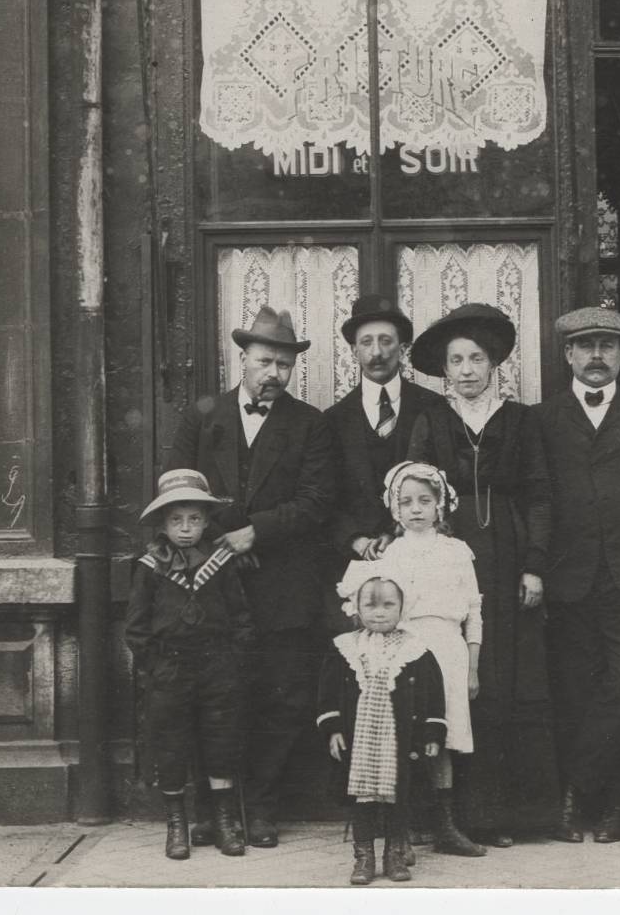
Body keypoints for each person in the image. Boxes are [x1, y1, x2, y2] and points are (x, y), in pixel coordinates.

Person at [163, 304, 336, 848]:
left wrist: (254, 533)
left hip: (284, 586)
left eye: (284, 366)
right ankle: (217, 808)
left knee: (280, 699)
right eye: (265, 361)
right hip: (209, 584)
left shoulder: (311, 425)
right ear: (243, 358)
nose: (273, 375)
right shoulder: (203, 416)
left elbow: (316, 503)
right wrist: (223, 541)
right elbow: (176, 491)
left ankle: (260, 806)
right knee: (215, 696)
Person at [406, 303, 559, 845]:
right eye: (456, 361)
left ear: (494, 364)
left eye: (477, 358)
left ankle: (525, 814)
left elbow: (540, 493)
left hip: (509, 552)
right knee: (466, 679)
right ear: (444, 370)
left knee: (515, 676)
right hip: (452, 557)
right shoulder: (432, 421)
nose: (468, 369)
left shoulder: (521, 420)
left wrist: (534, 565)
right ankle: (470, 816)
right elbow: (414, 490)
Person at [531, 306, 620, 844]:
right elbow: (537, 498)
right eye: (586, 345)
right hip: (568, 581)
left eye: (608, 346)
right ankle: (608, 805)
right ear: (568, 353)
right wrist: (536, 567)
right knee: (575, 694)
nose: (597, 356)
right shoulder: (542, 419)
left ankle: (582, 790)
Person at [124, 469, 254, 860]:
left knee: (221, 741)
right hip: (171, 669)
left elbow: (241, 617)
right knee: (171, 744)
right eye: (176, 520)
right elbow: (136, 627)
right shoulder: (150, 567)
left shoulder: (220, 563)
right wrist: (155, 667)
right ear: (163, 523)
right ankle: (177, 824)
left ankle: (224, 821)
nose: (185, 529)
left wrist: (234, 659)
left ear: (206, 521)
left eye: (194, 519)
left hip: (218, 666)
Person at [365, 461, 487, 858]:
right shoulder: (391, 554)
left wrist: (471, 666)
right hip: (407, 649)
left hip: (448, 649)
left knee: (443, 738)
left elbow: (473, 611)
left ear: (440, 506)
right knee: (405, 734)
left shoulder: (456, 551)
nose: (416, 509)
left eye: (425, 500)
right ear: (394, 510)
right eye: (406, 502)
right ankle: (405, 823)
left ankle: (445, 825)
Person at [320, 567, 448, 884]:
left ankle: (394, 855)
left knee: (397, 796)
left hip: (399, 739)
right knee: (363, 797)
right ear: (356, 608)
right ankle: (364, 857)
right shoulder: (344, 648)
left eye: (388, 605)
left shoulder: (417, 650)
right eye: (370, 606)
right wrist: (334, 728)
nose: (379, 614)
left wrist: (432, 732)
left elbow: (433, 695)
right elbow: (328, 693)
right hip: (360, 738)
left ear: (402, 608)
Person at [324, 294, 448, 570]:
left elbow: (444, 484)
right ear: (354, 351)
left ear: (403, 349)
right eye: (366, 342)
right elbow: (325, 495)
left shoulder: (433, 407)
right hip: (354, 559)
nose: (377, 352)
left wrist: (401, 532)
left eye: (386, 341)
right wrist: (356, 540)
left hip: (421, 554)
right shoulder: (333, 419)